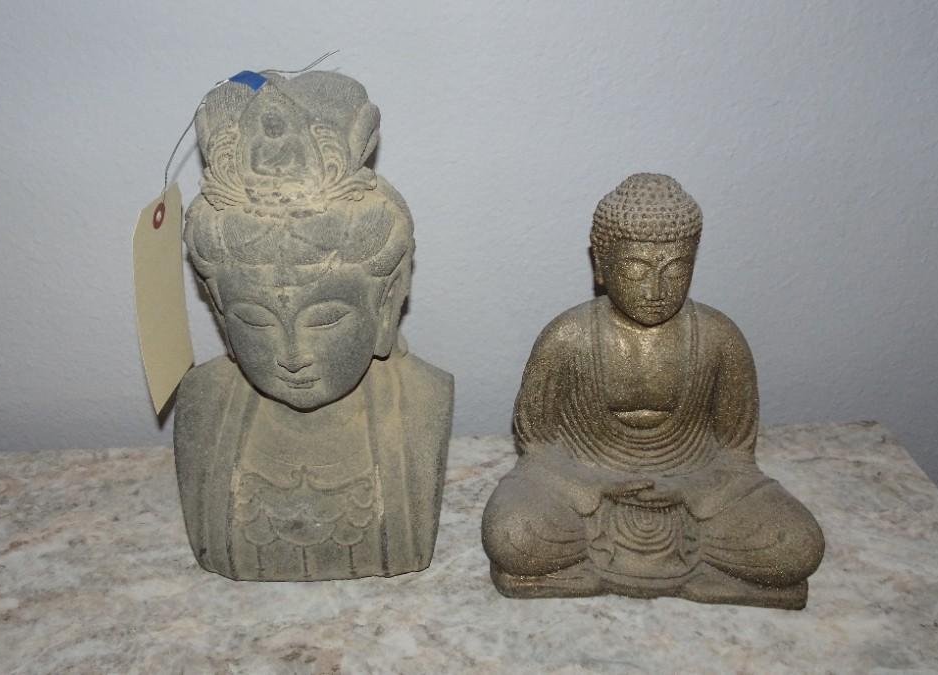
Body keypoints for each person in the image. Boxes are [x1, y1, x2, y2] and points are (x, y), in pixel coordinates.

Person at [482, 174, 823, 608]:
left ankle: (611, 570)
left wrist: (688, 489)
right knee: (514, 536)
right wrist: (598, 484)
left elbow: (735, 452)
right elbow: (537, 444)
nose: (656, 290)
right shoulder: (566, 337)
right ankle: (700, 574)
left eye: (675, 270)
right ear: (601, 266)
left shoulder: (719, 338)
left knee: (796, 545)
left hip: (695, 486)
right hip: (586, 486)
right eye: (636, 270)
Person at [173, 72, 452, 581]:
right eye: (255, 318)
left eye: (325, 318)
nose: (291, 353)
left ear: (386, 305)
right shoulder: (202, 404)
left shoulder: (423, 402)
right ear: (218, 310)